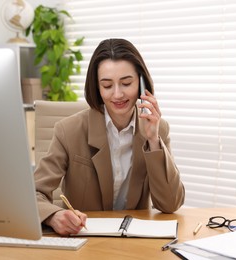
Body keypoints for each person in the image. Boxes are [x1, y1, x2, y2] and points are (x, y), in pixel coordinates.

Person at [34, 38, 185, 236]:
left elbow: (170, 203)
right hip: (85, 240)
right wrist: (53, 216)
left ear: (141, 83)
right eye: (107, 85)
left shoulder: (158, 129)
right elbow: (32, 194)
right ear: (97, 87)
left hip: (134, 242)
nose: (117, 94)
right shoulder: (69, 130)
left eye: (126, 83)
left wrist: (153, 140)